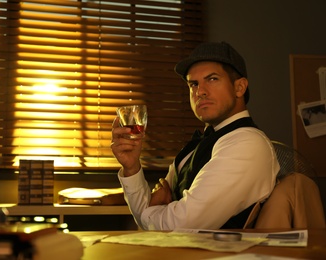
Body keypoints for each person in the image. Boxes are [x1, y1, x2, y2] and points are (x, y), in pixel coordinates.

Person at [111, 41, 280, 230]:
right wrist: (132, 167)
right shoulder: (194, 148)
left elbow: (181, 224)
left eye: (212, 79)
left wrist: (151, 212)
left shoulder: (247, 143)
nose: (200, 92)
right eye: (194, 84)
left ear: (239, 87)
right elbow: (154, 218)